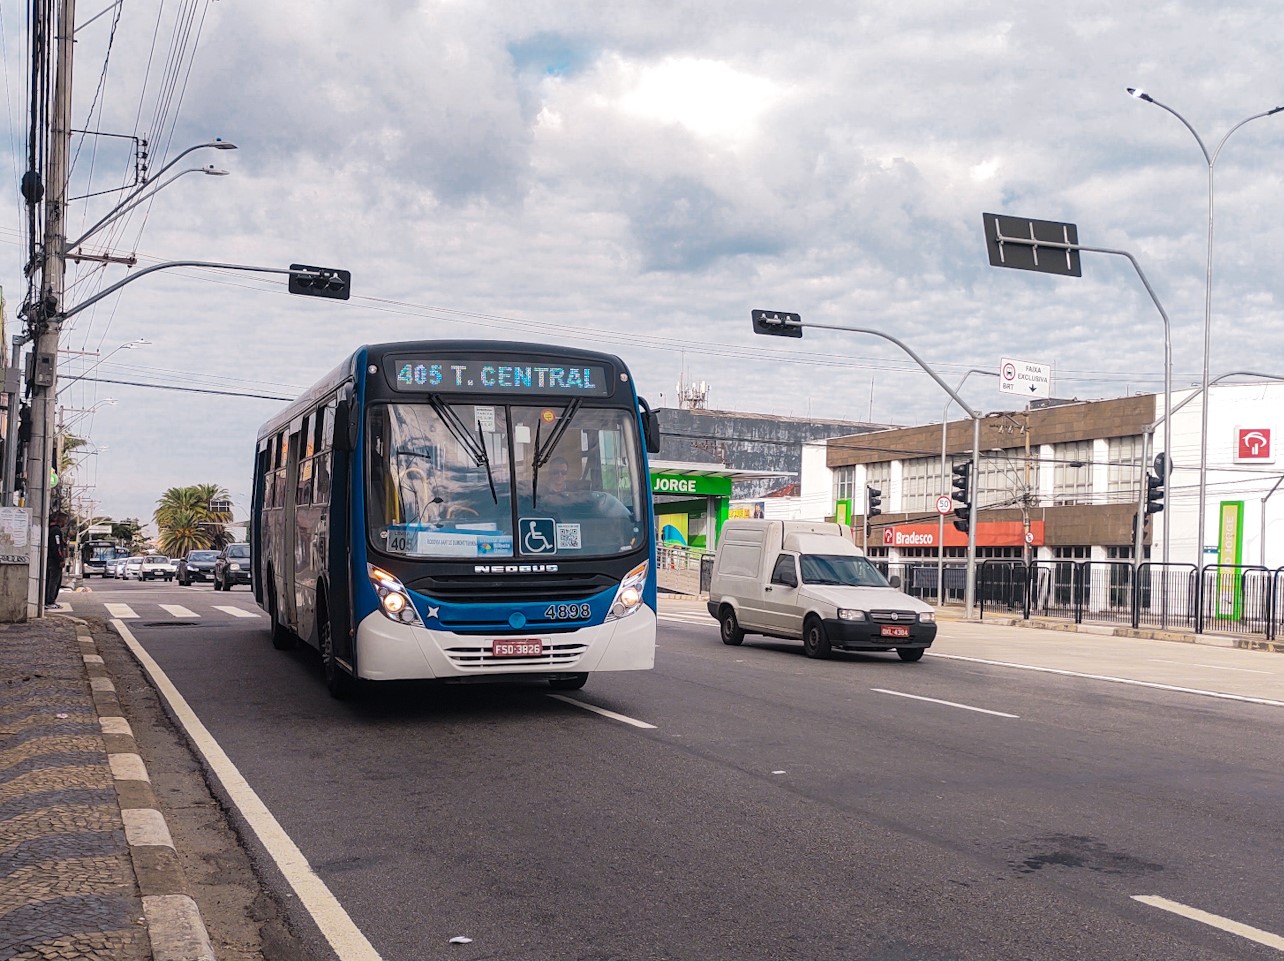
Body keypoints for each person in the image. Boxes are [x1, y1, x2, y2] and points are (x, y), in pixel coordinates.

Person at [45, 513, 66, 609]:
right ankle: (50, 601)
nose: (65, 523)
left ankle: (48, 600)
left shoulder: (49, 529)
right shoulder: (56, 530)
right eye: (64, 520)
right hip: (54, 561)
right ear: (60, 520)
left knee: (49, 580)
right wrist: (60, 559)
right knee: (54, 581)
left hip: (49, 559)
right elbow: (57, 546)